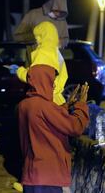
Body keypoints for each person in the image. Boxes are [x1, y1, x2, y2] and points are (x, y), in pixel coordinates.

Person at [18, 64, 89, 193]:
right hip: (48, 176)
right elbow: (75, 127)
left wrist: (66, 105)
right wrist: (81, 106)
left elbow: (46, 119)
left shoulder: (24, 105)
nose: (54, 86)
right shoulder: (44, 106)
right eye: (51, 81)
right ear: (42, 81)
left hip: (31, 175)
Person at [14, 21, 68, 106]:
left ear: (45, 36)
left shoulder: (42, 53)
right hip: (58, 100)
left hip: (44, 101)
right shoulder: (56, 53)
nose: (37, 40)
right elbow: (56, 75)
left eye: (39, 36)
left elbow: (34, 78)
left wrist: (19, 71)